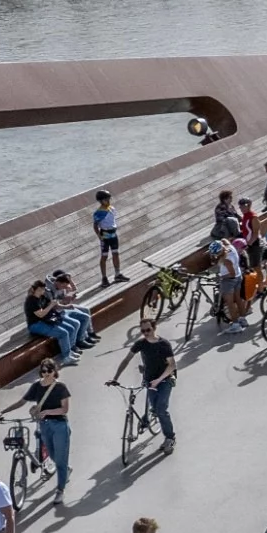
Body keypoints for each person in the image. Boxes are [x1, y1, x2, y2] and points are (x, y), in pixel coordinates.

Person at [3, 359, 74, 498]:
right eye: (43, 371)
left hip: (59, 425)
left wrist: (48, 412)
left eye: (49, 370)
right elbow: (22, 402)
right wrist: (3, 412)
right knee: (52, 456)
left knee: (60, 459)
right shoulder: (36, 386)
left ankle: (60, 490)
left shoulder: (61, 387)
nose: (46, 373)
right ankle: (65, 469)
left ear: (55, 371)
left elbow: (64, 409)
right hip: (44, 425)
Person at [109, 319, 179, 456]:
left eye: (148, 330)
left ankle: (170, 438)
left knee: (161, 410)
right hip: (149, 379)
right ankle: (152, 414)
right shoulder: (140, 344)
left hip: (165, 379)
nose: (146, 333)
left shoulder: (164, 344)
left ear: (154, 328)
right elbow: (126, 360)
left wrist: (158, 380)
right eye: (143, 331)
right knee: (154, 406)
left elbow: (172, 365)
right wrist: (115, 378)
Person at [24, 279, 81, 365]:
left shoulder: (42, 297)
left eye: (43, 289)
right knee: (63, 333)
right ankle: (66, 357)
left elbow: (54, 305)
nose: (42, 291)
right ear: (35, 290)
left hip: (47, 320)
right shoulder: (31, 301)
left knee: (71, 328)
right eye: (40, 289)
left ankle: (70, 350)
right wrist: (51, 305)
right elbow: (41, 314)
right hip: (35, 325)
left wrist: (65, 306)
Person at [91, 188, 123, 287]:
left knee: (116, 253)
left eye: (109, 199)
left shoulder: (112, 208)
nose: (108, 201)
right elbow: (95, 226)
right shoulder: (98, 212)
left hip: (113, 234)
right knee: (104, 256)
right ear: (101, 201)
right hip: (105, 235)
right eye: (106, 200)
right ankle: (104, 278)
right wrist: (99, 236)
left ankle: (117, 274)